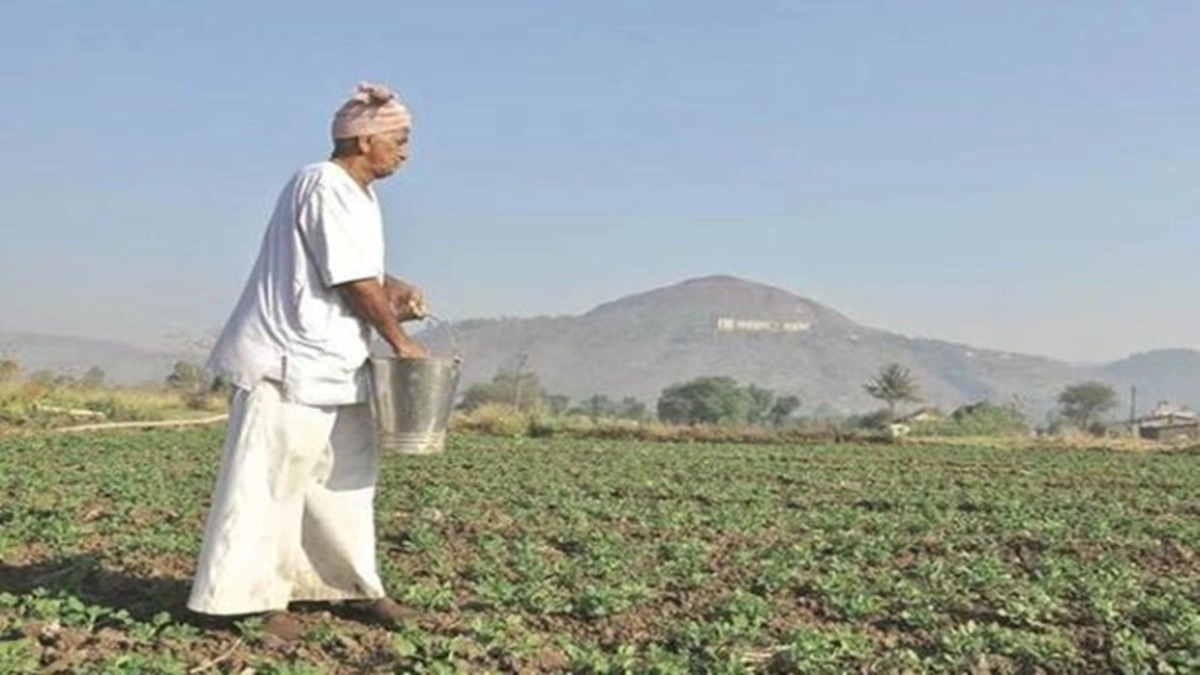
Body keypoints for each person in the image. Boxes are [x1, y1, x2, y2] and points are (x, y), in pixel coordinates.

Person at [188, 81, 428, 639]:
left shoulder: (360, 195)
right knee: (270, 479)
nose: (406, 151)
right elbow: (349, 280)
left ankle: (343, 586)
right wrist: (400, 340)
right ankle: (249, 599)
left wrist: (394, 289)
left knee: (341, 478)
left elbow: (351, 270)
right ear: (365, 139)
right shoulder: (322, 183)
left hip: (335, 360)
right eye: (400, 139)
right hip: (287, 360)